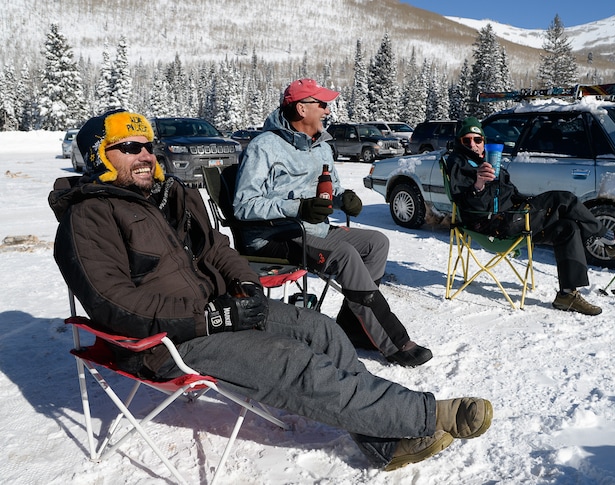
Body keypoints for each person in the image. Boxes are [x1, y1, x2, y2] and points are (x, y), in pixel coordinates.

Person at [48, 109, 492, 471]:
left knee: (323, 332)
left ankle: (381, 439)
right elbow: (113, 303)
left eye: (147, 145)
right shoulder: (88, 218)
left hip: (222, 309)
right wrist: (211, 318)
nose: (144, 155)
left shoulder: (172, 196)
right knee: (295, 364)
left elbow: (219, 249)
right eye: (128, 148)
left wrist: (244, 285)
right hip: (168, 341)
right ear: (99, 156)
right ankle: (426, 415)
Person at [232, 78, 432, 367]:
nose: (328, 110)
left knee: (376, 243)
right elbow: (244, 205)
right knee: (346, 256)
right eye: (322, 104)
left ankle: (356, 329)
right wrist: (298, 207)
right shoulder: (264, 147)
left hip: (313, 229)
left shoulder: (321, 145)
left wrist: (343, 198)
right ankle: (396, 342)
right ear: (302, 108)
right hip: (274, 236)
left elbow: (330, 190)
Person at [445, 117, 615, 316]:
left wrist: (531, 203)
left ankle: (567, 295)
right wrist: (479, 185)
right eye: (467, 140)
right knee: (565, 199)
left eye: (477, 139)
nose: (473, 144)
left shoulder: (490, 161)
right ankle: (612, 239)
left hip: (511, 217)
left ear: (484, 142)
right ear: (460, 143)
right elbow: (465, 204)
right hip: (491, 225)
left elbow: (510, 194)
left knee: (568, 227)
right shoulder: (458, 163)